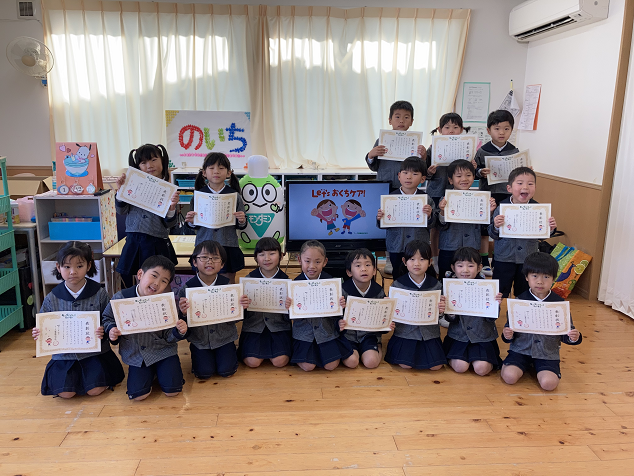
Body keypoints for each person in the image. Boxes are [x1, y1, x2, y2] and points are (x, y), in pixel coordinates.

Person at [32, 241, 124, 398]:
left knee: (95, 391)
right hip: (64, 357)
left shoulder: (100, 293)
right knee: (66, 394)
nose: (73, 272)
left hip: (94, 354)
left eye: (79, 266)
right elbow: (45, 323)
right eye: (67, 267)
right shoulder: (51, 297)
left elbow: (109, 318)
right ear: (58, 267)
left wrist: (104, 329)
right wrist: (39, 332)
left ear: (88, 266)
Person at [103, 256, 188, 401]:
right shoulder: (121, 298)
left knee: (172, 391)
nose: (156, 283)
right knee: (139, 396)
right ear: (140, 274)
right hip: (136, 355)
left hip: (163, 351)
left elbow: (169, 335)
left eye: (164, 281)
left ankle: (161, 371)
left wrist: (179, 331)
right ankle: (151, 372)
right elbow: (107, 318)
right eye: (154, 276)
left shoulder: (165, 302)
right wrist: (111, 329)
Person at [501, 252, 582, 391]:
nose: (540, 281)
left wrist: (574, 337)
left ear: (553, 279)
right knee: (509, 377)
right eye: (534, 276)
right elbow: (509, 329)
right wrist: (507, 334)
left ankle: (538, 367)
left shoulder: (559, 304)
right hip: (520, 350)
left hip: (547, 353)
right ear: (526, 277)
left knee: (548, 384)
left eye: (546, 276)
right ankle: (520, 365)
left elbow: (566, 332)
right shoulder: (519, 302)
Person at [178, 240, 249, 379]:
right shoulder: (187, 288)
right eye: (204, 257)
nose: (209, 261)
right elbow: (182, 322)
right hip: (200, 340)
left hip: (225, 337)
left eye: (215, 258)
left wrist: (242, 307)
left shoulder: (228, 287)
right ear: (194, 262)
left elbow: (237, 318)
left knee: (227, 371)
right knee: (204, 373)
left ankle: (229, 353)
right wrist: (184, 313)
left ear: (222, 264)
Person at [115, 144, 180, 287]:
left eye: (153, 160)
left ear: (162, 161)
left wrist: (172, 208)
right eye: (143, 162)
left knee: (160, 283)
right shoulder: (132, 184)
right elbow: (121, 211)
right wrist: (120, 192)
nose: (149, 165)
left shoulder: (167, 189)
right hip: (134, 241)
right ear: (138, 166)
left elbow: (169, 224)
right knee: (135, 283)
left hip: (157, 242)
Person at [489, 167, 557, 298]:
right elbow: (492, 234)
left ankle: (521, 315)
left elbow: (544, 235)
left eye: (530, 184)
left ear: (535, 188)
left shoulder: (539, 209)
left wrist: (551, 228)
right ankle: (493, 317)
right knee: (499, 291)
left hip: (528, 259)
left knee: (524, 292)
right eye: (520, 183)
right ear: (509, 188)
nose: (525, 187)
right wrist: (496, 226)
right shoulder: (501, 208)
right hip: (503, 257)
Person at [288, 240, 355, 371]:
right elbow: (290, 318)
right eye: (307, 261)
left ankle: (319, 355)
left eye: (317, 262)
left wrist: (342, 305)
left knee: (331, 365)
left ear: (325, 262)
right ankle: (307, 356)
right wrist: (288, 307)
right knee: (308, 367)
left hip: (326, 331)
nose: (312, 266)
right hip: (304, 334)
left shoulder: (331, 283)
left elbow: (340, 315)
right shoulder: (294, 285)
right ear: (299, 260)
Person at [185, 152, 248, 283]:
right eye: (211, 168)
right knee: (204, 280)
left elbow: (241, 225)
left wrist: (242, 220)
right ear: (204, 173)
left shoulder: (234, 195)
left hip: (228, 245)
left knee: (228, 282)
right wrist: (191, 222)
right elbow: (194, 225)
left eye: (221, 168)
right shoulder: (198, 195)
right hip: (204, 245)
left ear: (229, 173)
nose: (216, 171)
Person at [384, 240, 447, 371]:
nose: (417, 263)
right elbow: (392, 315)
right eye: (412, 259)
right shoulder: (397, 285)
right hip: (405, 333)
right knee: (405, 365)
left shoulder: (436, 285)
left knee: (436, 366)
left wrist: (441, 310)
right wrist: (388, 309)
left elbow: (440, 314)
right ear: (404, 261)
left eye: (422, 259)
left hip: (429, 333)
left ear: (430, 262)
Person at [442, 247, 503, 376]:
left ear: (479, 267)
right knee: (460, 367)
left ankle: (479, 359)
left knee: (481, 369)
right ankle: (463, 358)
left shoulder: (488, 288)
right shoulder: (450, 287)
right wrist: (447, 309)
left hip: (482, 336)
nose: (465, 270)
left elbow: (492, 318)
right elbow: (450, 318)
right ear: (453, 268)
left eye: (470, 266)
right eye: (460, 266)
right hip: (459, 336)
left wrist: (496, 304)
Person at [474, 110, 520, 275]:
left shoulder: (514, 151)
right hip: (488, 194)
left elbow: (518, 173)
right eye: (497, 128)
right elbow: (474, 171)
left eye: (506, 129)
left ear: (511, 130)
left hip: (508, 196)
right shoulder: (482, 151)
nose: (501, 132)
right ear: (488, 130)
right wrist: (480, 172)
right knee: (485, 229)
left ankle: (501, 258)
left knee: (504, 226)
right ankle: (484, 259)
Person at [425, 113, 472, 273]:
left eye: (455, 127)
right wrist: (430, 172)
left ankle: (458, 259)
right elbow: (424, 173)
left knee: (452, 225)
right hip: (437, 191)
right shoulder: (433, 148)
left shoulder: (467, 147)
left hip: (458, 193)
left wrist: (473, 166)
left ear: (461, 129)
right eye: (447, 127)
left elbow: (473, 171)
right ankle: (435, 258)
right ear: (440, 129)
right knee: (436, 227)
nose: (451, 130)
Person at [437, 160, 497, 281]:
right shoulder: (444, 199)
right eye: (458, 176)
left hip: (472, 246)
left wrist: (490, 211)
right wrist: (442, 211)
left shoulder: (480, 199)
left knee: (470, 278)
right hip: (449, 246)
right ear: (450, 180)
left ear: (474, 177)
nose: (464, 179)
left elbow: (485, 227)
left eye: (468, 175)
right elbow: (441, 225)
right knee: (446, 279)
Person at [376, 157, 435, 281]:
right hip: (396, 245)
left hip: (419, 245)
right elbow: (383, 225)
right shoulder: (390, 198)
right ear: (399, 176)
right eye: (405, 173)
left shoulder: (426, 199)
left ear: (423, 179)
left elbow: (432, 224)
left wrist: (429, 215)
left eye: (415, 174)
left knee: (419, 275)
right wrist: (380, 218)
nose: (409, 177)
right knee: (398, 275)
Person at [238, 237, 292, 368]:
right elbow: (241, 314)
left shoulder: (287, 282)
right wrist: (242, 306)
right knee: (253, 362)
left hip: (279, 327)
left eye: (272, 253)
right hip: (254, 327)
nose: (267, 258)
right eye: (261, 254)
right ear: (256, 258)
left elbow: (291, 317)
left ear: (281, 256)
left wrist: (290, 307)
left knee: (280, 362)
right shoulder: (248, 280)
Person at [338, 248, 395, 369]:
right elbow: (335, 317)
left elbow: (383, 321)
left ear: (374, 270)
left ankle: (378, 347)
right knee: (352, 362)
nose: (363, 269)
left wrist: (387, 324)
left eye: (368, 265)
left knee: (371, 363)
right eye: (358, 265)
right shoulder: (342, 290)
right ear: (349, 272)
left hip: (369, 335)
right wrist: (338, 323)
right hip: (348, 335)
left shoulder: (378, 291)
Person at [365, 100, 427, 191]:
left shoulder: (415, 143)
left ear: (411, 122)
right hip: (385, 183)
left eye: (406, 117)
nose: (401, 121)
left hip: (407, 187)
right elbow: (374, 167)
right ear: (390, 120)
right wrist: (370, 156)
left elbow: (419, 168)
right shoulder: (381, 141)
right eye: (397, 117)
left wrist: (423, 158)